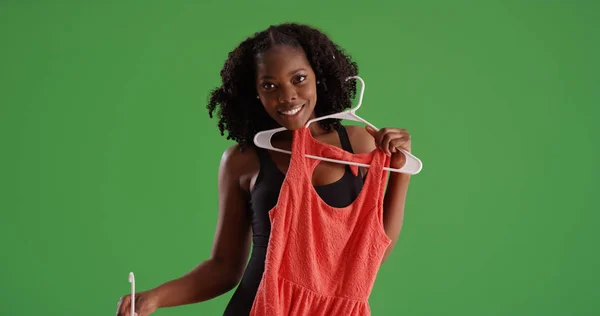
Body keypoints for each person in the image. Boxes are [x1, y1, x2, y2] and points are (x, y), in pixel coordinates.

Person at [116, 22, 412, 316]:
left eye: (299, 79)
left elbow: (370, 253)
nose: (288, 96)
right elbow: (224, 268)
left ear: (318, 77)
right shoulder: (243, 160)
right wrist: (154, 298)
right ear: (255, 92)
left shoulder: (358, 145)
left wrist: (400, 172)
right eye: (270, 85)